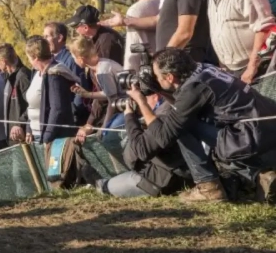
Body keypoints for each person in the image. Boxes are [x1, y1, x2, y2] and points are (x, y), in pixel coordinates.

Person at [127, 48, 276, 202]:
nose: (155, 79)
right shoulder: (205, 70)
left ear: (170, 77)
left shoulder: (193, 89)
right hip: (264, 128)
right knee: (184, 121)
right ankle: (260, 176)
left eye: (157, 77)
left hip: (250, 137)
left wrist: (141, 102)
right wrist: (159, 88)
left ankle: (208, 187)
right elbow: (183, 105)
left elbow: (164, 136)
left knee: (181, 127)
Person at [96, 95, 191, 198]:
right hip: (171, 171)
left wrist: (129, 116)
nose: (135, 104)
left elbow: (142, 151)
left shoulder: (163, 115)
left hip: (162, 179)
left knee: (104, 186)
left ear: (156, 96)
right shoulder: (174, 106)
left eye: (141, 99)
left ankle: (100, 183)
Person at [99, 0, 162, 71]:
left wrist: (129, 71)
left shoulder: (135, 10)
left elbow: (134, 46)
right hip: (164, 63)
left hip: (145, 68)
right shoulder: (163, 3)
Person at [68, 37, 124, 144]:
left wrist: (104, 127)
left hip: (127, 108)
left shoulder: (102, 71)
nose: (73, 60)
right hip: (121, 106)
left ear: (81, 59)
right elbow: (109, 93)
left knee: (107, 138)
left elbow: (113, 100)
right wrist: (87, 94)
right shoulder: (98, 67)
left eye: (73, 57)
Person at [23, 36, 77, 144]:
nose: (29, 62)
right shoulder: (37, 73)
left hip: (53, 137)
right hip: (36, 134)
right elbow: (33, 105)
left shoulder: (54, 74)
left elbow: (57, 109)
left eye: (29, 58)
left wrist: (47, 137)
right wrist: (29, 129)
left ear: (35, 58)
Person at [43, 22, 92, 125]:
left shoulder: (71, 59)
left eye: (47, 36)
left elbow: (80, 89)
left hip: (70, 119)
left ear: (60, 38)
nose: (44, 40)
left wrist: (74, 114)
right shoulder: (50, 60)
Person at [0, 43, 33, 145]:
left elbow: (32, 105)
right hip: (12, 138)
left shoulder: (23, 77)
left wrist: (20, 123)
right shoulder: (9, 77)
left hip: (22, 137)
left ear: (3, 61)